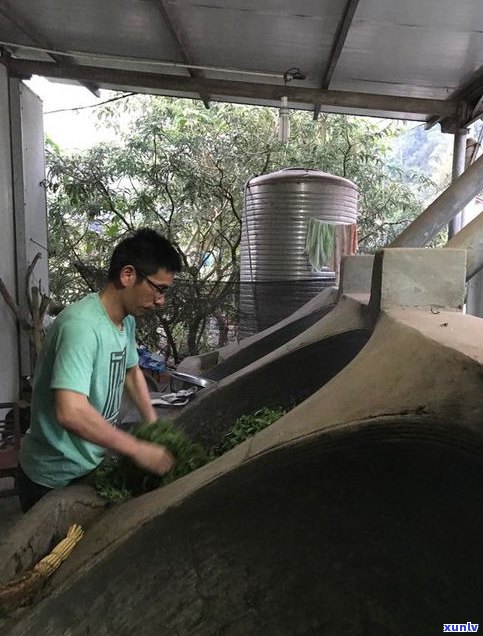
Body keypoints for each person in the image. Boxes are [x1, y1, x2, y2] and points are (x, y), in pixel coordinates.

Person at [16, 228, 182, 512]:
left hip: (88, 463)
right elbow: (70, 412)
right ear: (128, 275)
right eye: (159, 289)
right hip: (52, 478)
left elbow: (131, 372)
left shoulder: (125, 320)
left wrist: (152, 421)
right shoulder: (81, 326)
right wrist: (136, 448)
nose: (161, 301)